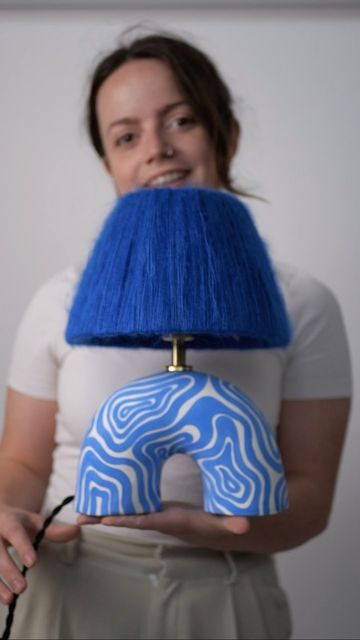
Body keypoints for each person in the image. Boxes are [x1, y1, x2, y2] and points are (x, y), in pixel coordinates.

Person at [0, 29, 352, 640]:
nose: (157, 149)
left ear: (225, 134)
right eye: (127, 135)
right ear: (109, 163)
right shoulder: (61, 300)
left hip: (226, 593)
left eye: (181, 120)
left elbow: (311, 500)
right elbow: (24, 461)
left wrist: (196, 524)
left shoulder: (303, 303)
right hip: (70, 585)